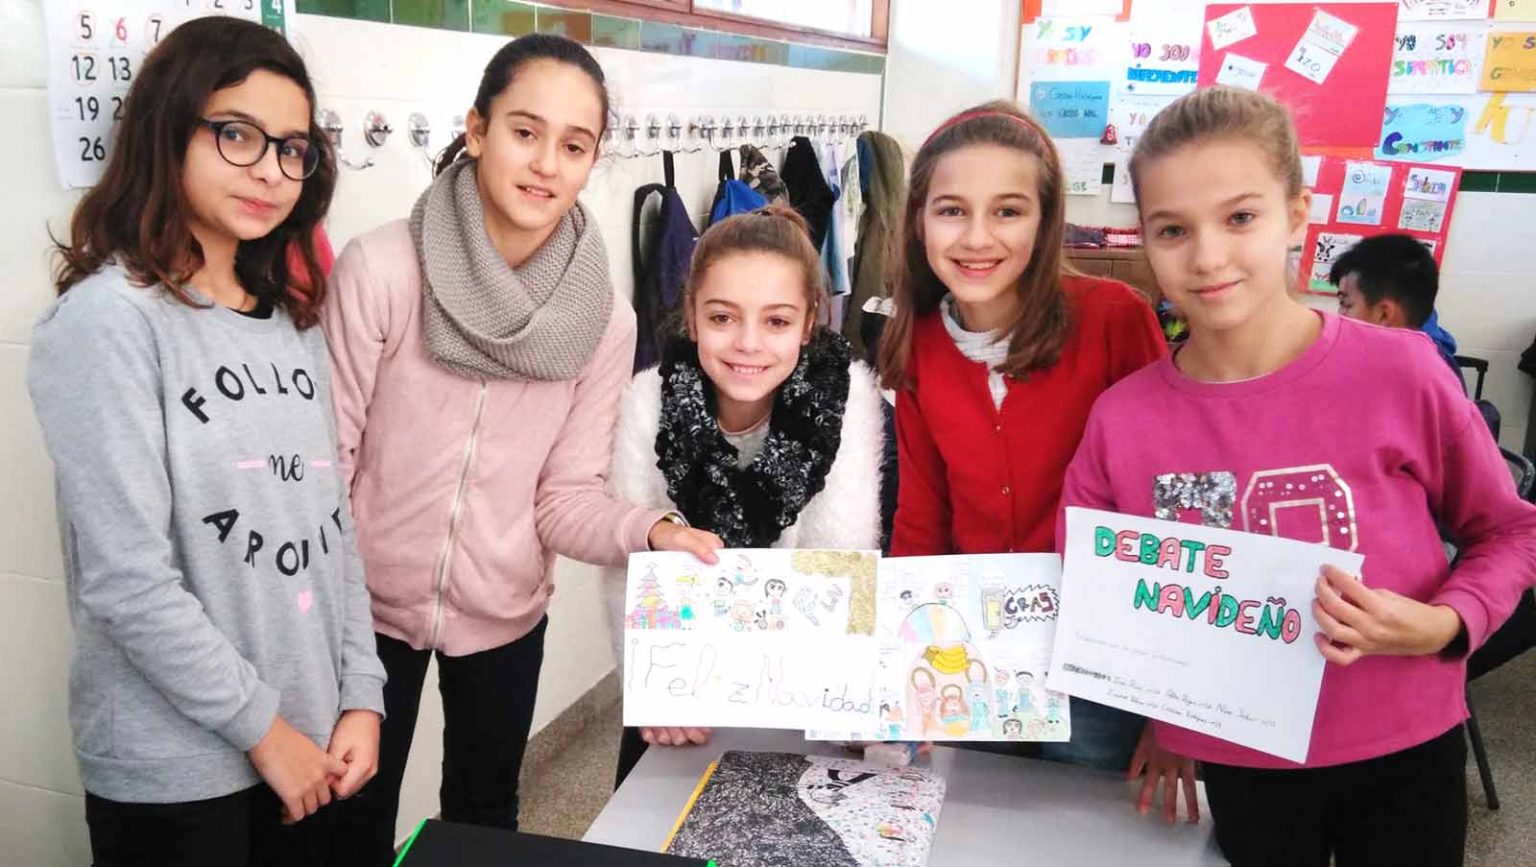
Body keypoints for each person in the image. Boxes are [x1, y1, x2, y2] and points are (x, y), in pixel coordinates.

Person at [1063, 85, 1536, 861]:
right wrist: (1163, 714)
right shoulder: (1123, 419)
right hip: (1242, 760)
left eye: (1240, 218)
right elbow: (1107, 593)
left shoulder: (1401, 371)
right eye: (1173, 229)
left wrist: (1446, 622)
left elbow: (1512, 531)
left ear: (1297, 215)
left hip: (1403, 744)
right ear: (1144, 239)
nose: (1207, 256)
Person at [320, 34, 717, 864]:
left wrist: (652, 530)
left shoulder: (603, 320)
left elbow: (563, 499)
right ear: (477, 130)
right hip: (361, 613)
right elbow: (327, 471)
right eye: (525, 132)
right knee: (348, 822)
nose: (545, 164)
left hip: (505, 614)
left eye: (574, 145)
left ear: (593, 160)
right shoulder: (383, 269)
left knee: (482, 822)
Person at [29, 17, 384, 866]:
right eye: (237, 134)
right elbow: (128, 582)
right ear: (168, 129)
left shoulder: (294, 323)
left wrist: (361, 694)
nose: (270, 170)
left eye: (292, 149)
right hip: (179, 770)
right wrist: (264, 730)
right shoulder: (108, 322)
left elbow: (332, 529)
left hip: (311, 745)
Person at [876, 99, 1167, 775]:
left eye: (1007, 211)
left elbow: (1164, 509)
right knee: (981, 809)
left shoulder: (1113, 319)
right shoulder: (918, 339)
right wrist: (904, 666)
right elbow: (921, 516)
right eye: (952, 210)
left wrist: (1170, 710)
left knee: (1086, 817)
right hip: (976, 644)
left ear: (1045, 219)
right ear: (918, 220)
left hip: (1103, 653)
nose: (977, 237)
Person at [603, 205, 889, 785]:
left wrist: (854, 691)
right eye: (722, 317)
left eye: (777, 321)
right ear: (691, 315)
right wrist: (652, 690)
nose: (748, 343)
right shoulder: (648, 403)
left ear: (809, 322)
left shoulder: (852, 406)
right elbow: (631, 569)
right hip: (683, 687)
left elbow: (847, 565)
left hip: (809, 690)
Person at [1329, 232, 1461, 382]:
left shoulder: (1415, 376)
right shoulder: (1429, 361)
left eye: (1345, 304)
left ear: (1384, 314)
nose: (1339, 316)